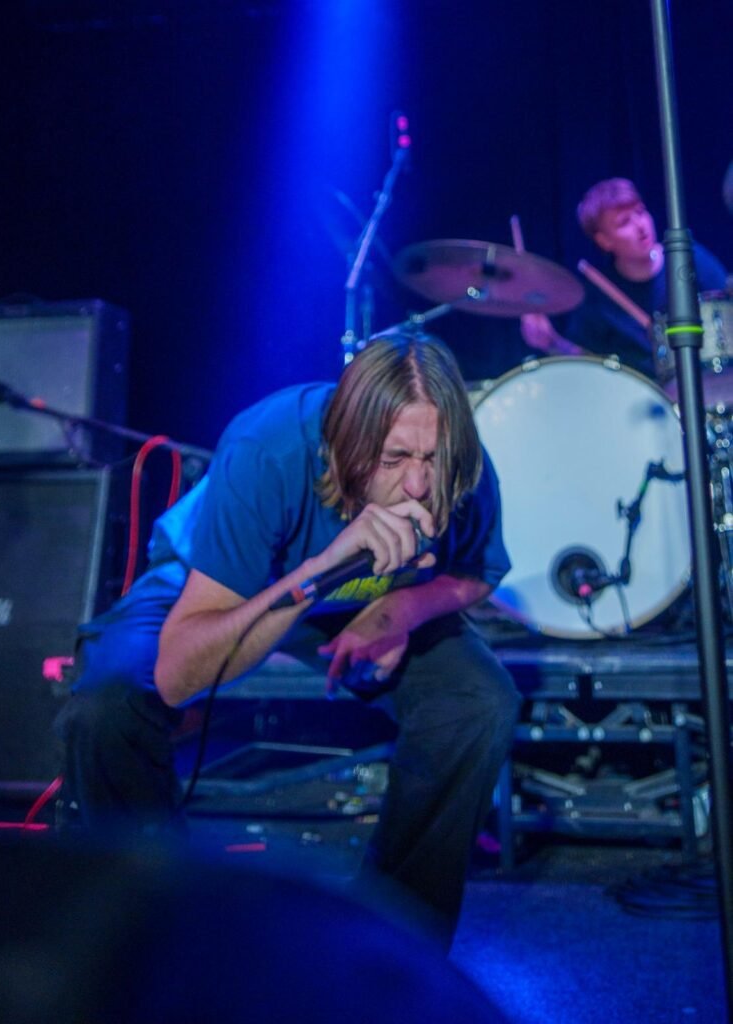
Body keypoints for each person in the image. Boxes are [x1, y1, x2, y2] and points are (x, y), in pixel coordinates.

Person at [53, 333, 521, 943]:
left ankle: (397, 943)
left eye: (430, 459)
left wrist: (399, 611)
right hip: (223, 582)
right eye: (393, 459)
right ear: (346, 443)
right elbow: (177, 673)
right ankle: (148, 921)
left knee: (478, 703)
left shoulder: (461, 468)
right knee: (108, 701)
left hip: (361, 596)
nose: (416, 485)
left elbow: (478, 574)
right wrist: (320, 572)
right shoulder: (268, 447)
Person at [520, 177, 728, 380]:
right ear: (604, 240)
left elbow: (727, 308)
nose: (640, 226)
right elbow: (585, 363)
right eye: (624, 222)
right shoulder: (598, 297)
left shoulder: (687, 258)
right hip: (644, 394)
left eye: (640, 212)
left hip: (706, 381)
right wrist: (551, 342)